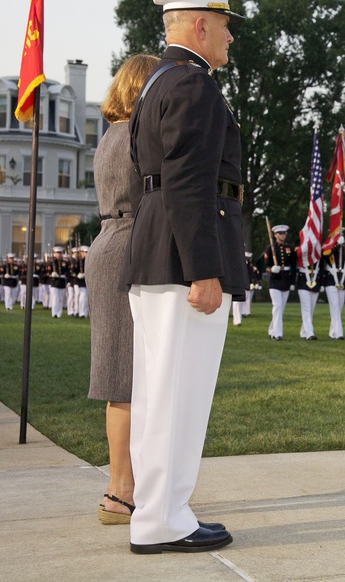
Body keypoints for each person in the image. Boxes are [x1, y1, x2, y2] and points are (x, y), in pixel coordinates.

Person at [125, 0, 248, 554]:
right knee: (179, 395)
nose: (229, 35)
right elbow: (190, 182)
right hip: (182, 261)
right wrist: (204, 269)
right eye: (225, 24)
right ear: (201, 26)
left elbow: (148, 179)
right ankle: (163, 520)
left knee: (158, 395)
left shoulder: (156, 82)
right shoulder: (195, 84)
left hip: (155, 252)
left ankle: (161, 510)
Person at [87, 53, 159, 526]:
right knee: (126, 377)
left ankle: (122, 487)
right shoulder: (135, 134)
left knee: (122, 376)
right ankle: (121, 491)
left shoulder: (110, 134)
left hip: (108, 243)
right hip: (129, 245)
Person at [261, 224, 294, 340]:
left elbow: (293, 265)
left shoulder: (289, 247)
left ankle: (272, 329)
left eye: (284, 233)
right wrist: (271, 269)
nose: (282, 235)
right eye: (280, 234)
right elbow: (264, 266)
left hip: (286, 280)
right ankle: (277, 334)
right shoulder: (270, 248)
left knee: (280, 308)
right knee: (277, 305)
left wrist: (293, 282)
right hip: (275, 281)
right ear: (275, 235)